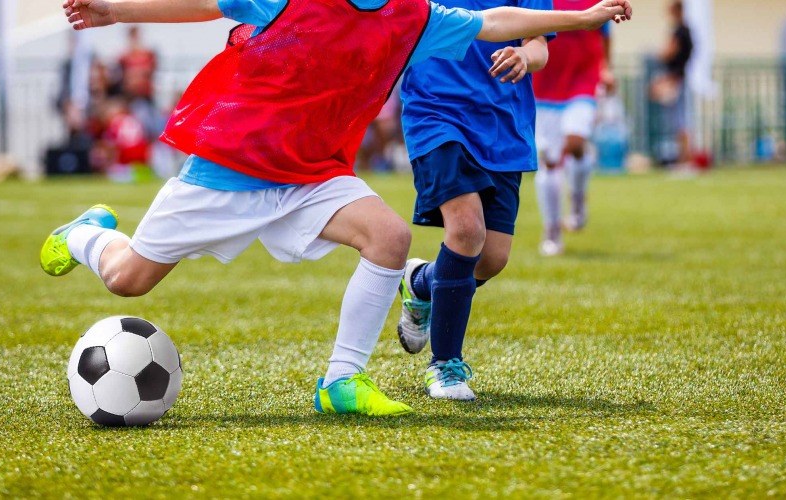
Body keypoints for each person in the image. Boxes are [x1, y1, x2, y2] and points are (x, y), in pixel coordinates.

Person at [45, 0, 632, 416]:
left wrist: (581, 18)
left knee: (389, 236)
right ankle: (84, 235)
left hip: (311, 171)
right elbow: (204, 3)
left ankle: (342, 378)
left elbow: (495, 22)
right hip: (232, 162)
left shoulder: (411, 14)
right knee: (128, 279)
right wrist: (113, 10)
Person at [396, 0, 630, 399]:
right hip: (437, 113)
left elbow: (539, 44)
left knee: (492, 258)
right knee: (467, 231)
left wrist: (526, 53)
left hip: (503, 123)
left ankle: (420, 282)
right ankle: (446, 365)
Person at [532, 0, 614, 256]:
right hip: (543, 85)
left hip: (583, 80)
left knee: (576, 143)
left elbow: (605, 32)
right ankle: (552, 232)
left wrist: (607, 68)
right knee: (550, 161)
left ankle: (577, 201)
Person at [651, 0, 693, 167]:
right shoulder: (687, 31)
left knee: (679, 121)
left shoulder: (680, 31)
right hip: (680, 78)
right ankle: (684, 159)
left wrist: (658, 54)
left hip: (676, 80)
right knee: (680, 120)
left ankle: (685, 160)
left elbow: (668, 53)